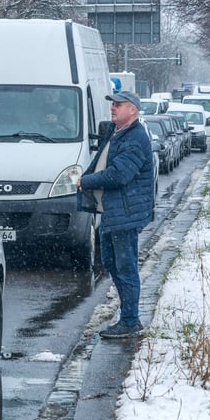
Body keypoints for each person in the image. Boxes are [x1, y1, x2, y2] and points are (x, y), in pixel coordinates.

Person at [77, 91, 155, 339]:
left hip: (126, 212)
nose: (113, 108)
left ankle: (130, 321)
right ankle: (128, 316)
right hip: (114, 211)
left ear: (132, 110)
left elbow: (118, 175)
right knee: (112, 263)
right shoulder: (118, 132)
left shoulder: (135, 138)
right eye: (112, 104)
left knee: (125, 267)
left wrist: (85, 181)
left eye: (118, 105)